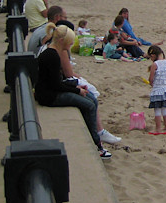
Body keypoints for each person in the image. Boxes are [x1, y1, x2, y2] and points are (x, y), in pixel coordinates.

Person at [34, 25, 112, 159]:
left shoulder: (52, 51)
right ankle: (97, 145)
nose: (71, 45)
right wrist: (77, 90)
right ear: (61, 41)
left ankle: (96, 136)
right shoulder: (52, 56)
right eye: (69, 42)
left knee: (91, 98)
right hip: (49, 96)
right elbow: (56, 85)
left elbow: (58, 81)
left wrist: (77, 87)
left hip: (51, 90)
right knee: (89, 105)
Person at [147, 45, 166, 135]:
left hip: (157, 90)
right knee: (164, 109)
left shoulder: (155, 65)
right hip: (165, 89)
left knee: (157, 110)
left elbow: (151, 78)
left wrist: (151, 83)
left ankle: (158, 129)